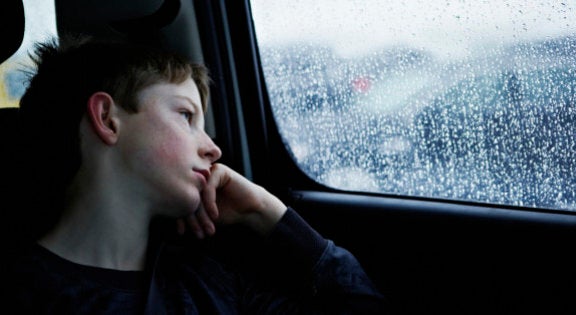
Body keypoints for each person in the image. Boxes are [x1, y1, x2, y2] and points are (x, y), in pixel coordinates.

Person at [2, 35, 387, 314]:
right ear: (107, 119)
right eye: (186, 116)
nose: (214, 150)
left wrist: (266, 213)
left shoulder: (210, 284)